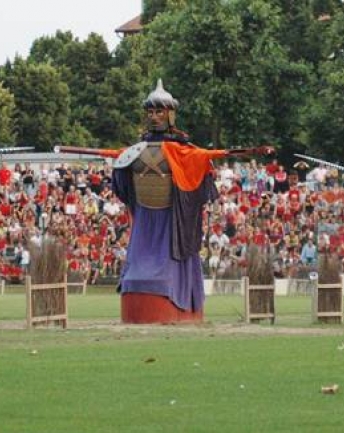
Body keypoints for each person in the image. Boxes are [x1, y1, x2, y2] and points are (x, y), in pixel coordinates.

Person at [112, 79, 273, 322]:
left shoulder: (183, 151)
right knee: (137, 264)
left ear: (171, 115)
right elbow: (122, 169)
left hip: (170, 216)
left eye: (159, 111)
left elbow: (209, 155)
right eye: (150, 112)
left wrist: (251, 151)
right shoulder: (136, 150)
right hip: (145, 216)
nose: (154, 117)